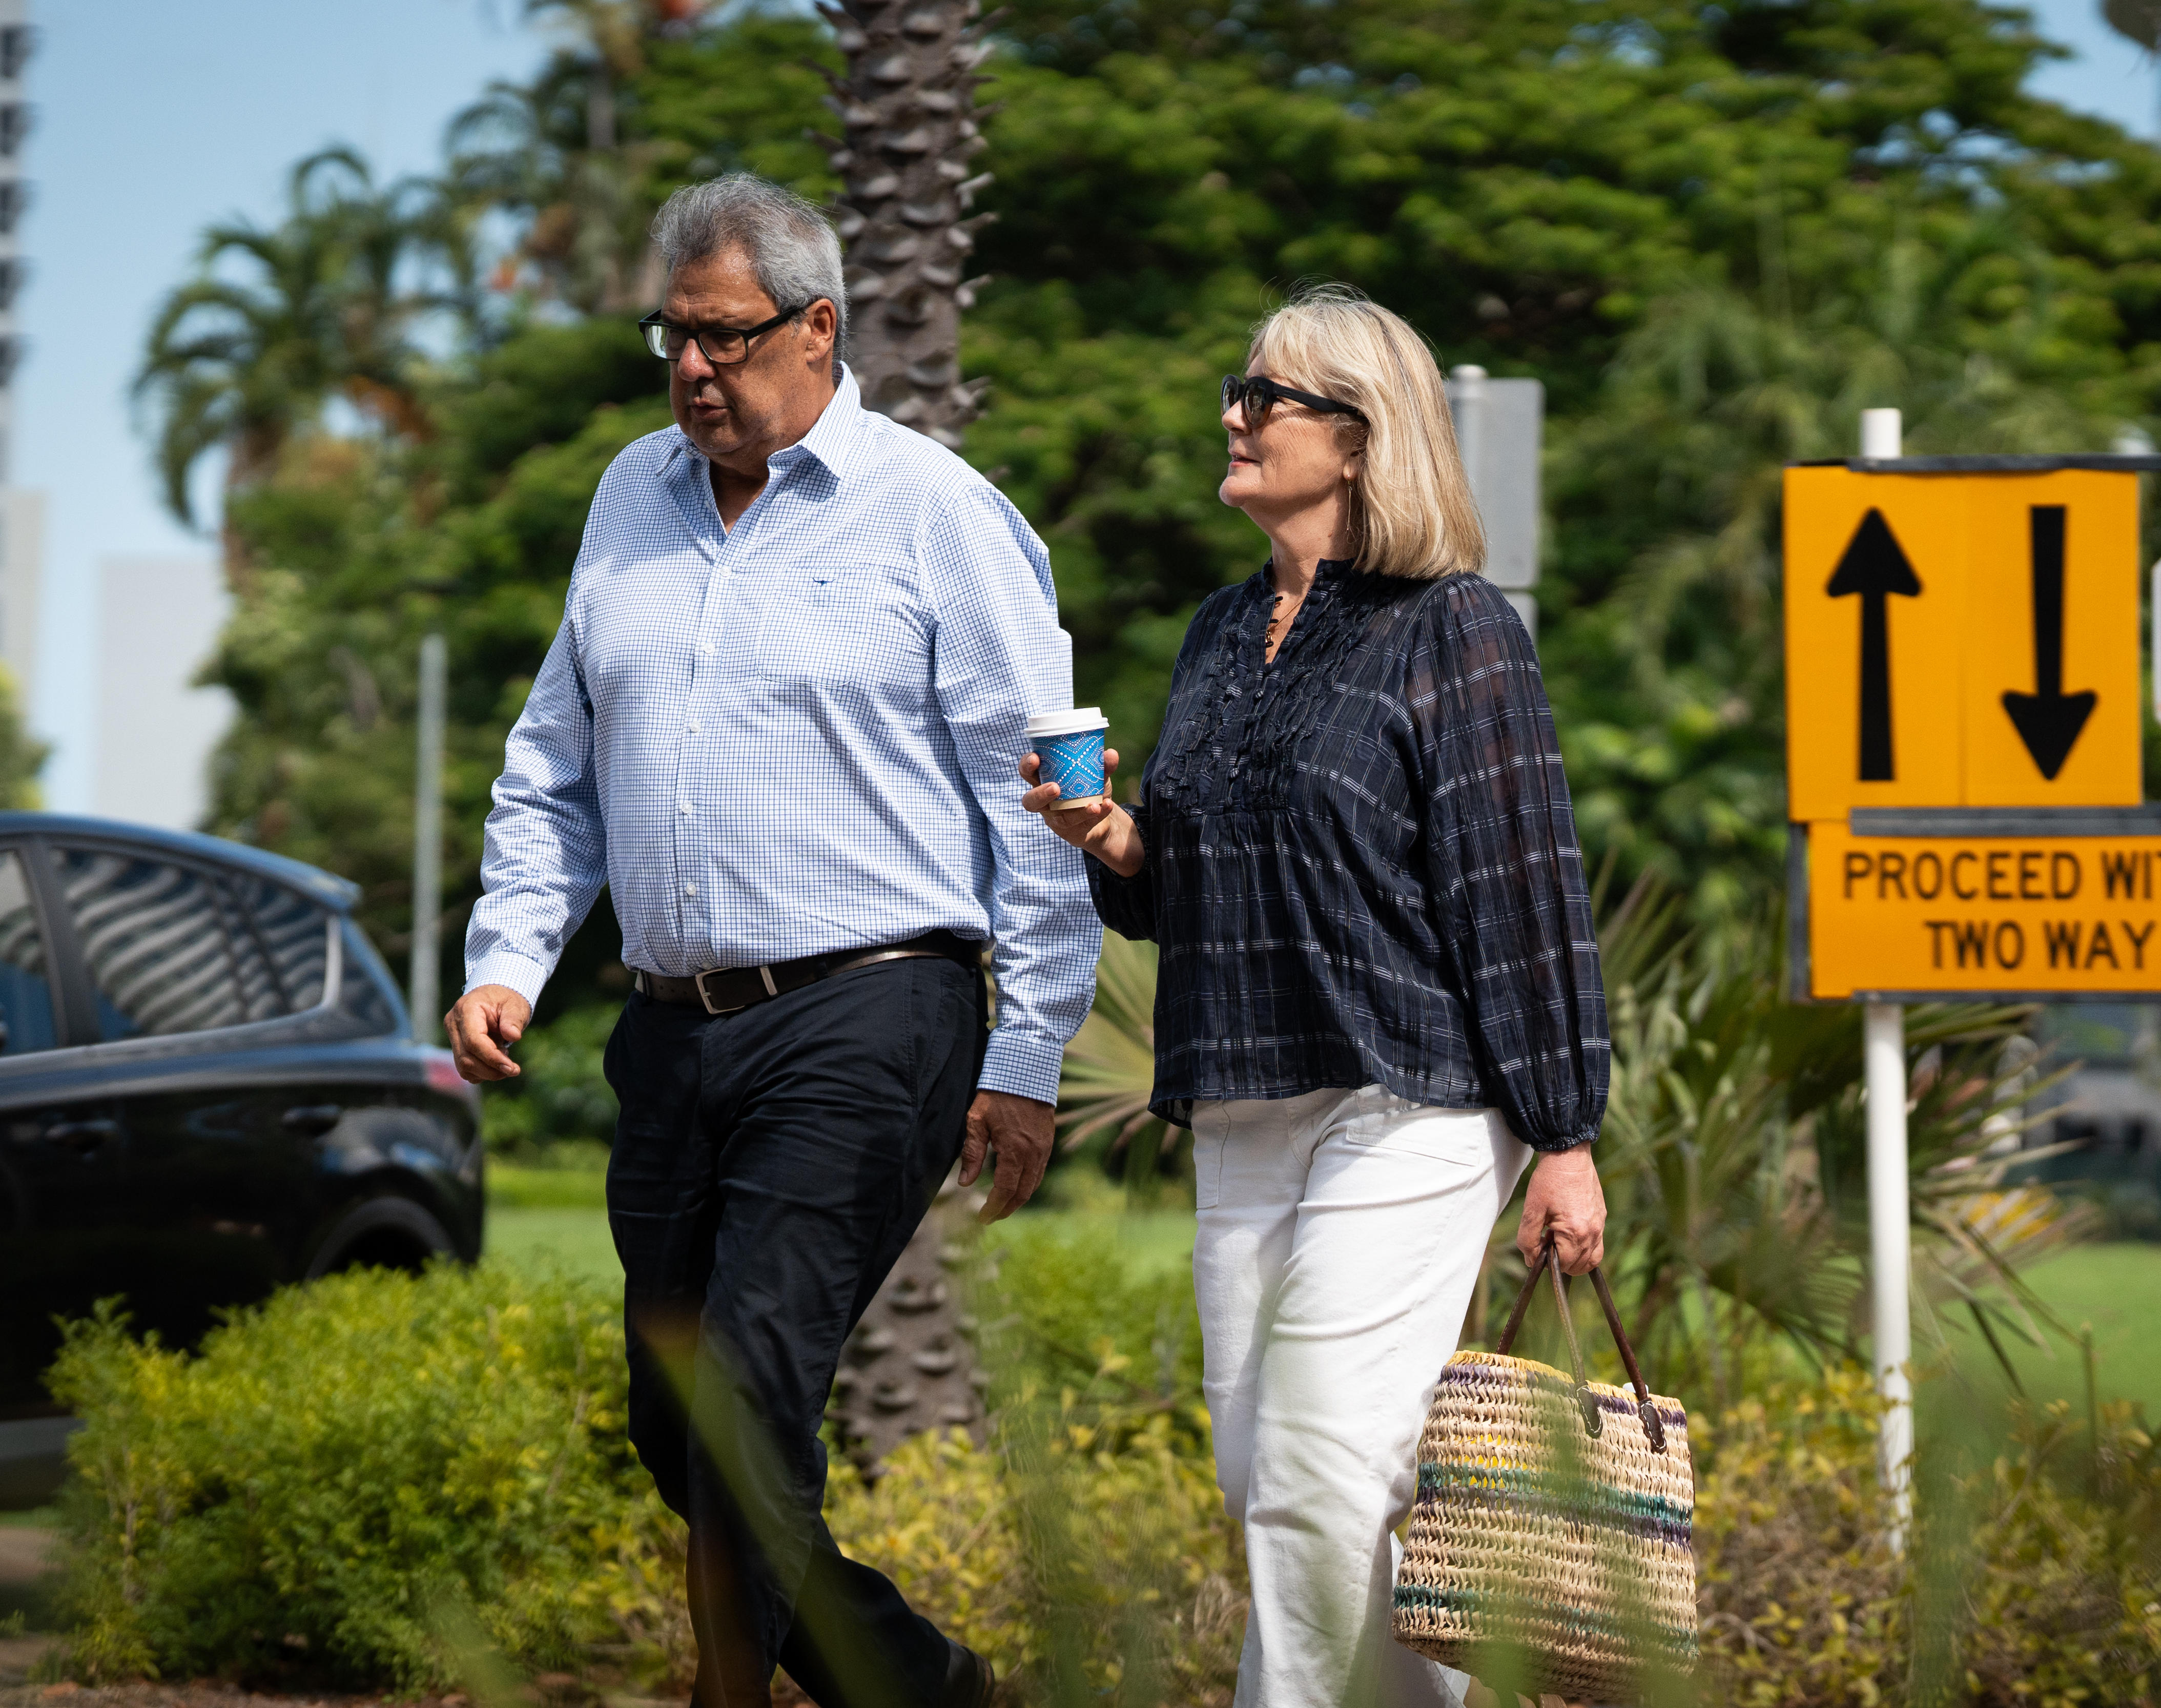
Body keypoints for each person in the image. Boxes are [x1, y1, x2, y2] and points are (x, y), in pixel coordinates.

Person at [447, 173, 1099, 1708]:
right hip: (673, 1029)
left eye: (726, 339)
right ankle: (924, 1689)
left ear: (818, 329)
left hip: (873, 1010)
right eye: (671, 336)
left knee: (743, 1395)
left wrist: (1026, 1056)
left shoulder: (937, 513)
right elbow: (554, 762)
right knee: (675, 1422)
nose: (692, 371)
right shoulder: (629, 498)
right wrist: (508, 955)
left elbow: (1039, 797)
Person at [1019, 285, 1610, 1708]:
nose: (1233, 414)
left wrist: (1564, 1133)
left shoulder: (1455, 629)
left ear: (1357, 438)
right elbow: (1190, 882)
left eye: (1264, 396)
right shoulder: (1223, 633)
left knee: (1313, 1485)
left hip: (1410, 1101)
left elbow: (1517, 892)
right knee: (1275, 1482)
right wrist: (1109, 842)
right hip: (1244, 1102)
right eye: (1242, 388)